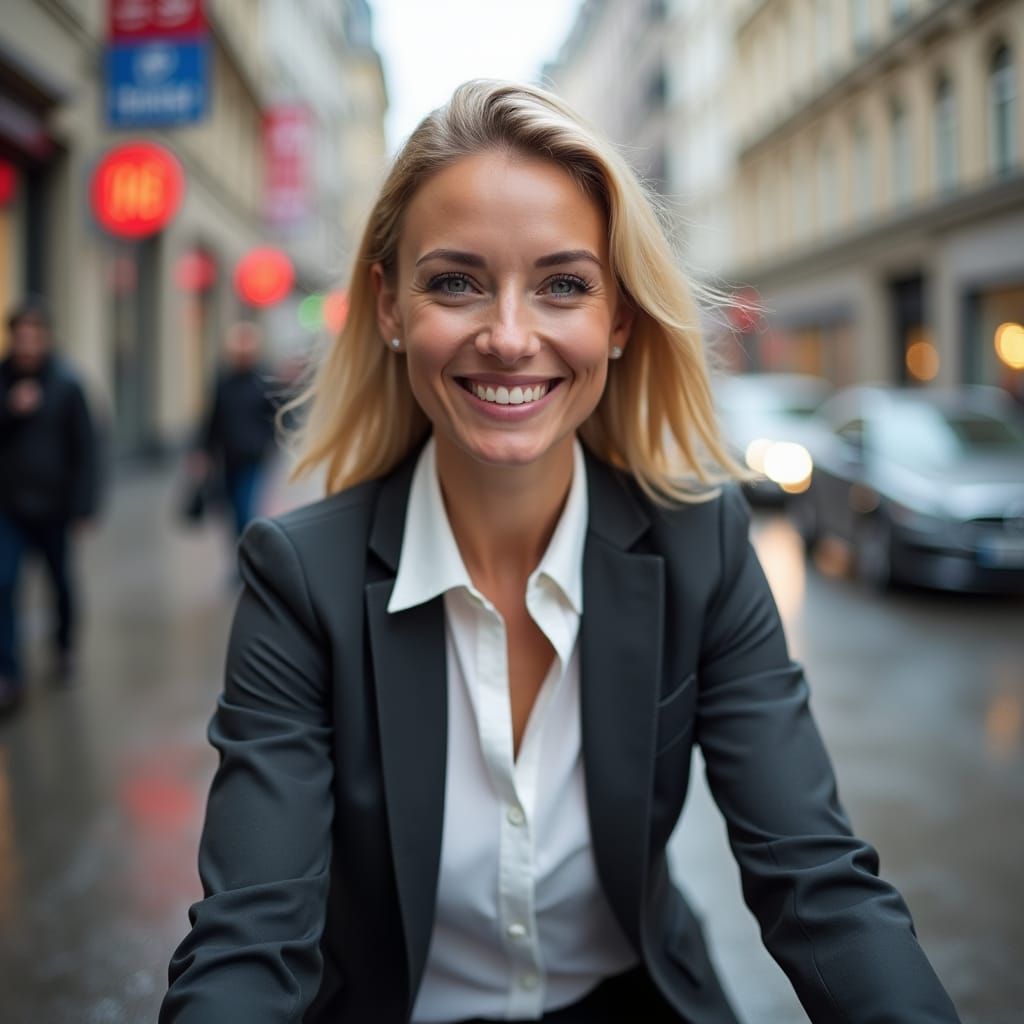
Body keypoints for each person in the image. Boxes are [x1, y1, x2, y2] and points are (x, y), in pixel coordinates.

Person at [161, 82, 961, 1023]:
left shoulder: (701, 545)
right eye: (455, 281)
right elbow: (248, 939)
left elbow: (818, 883)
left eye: (564, 284)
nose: (508, 335)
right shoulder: (300, 579)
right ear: (387, 306)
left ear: (618, 318)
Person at [0, 297, 99, 714]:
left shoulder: (67, 383)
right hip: (7, 507)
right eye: (21, 334)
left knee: (60, 582)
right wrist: (9, 411)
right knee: (3, 584)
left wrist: (84, 506)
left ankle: (63, 647)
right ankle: (9, 674)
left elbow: (87, 448)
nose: (28, 342)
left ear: (46, 337)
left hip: (55, 507)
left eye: (35, 334)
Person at [190, 320, 278, 542]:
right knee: (229, 506)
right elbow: (212, 419)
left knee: (243, 505)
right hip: (227, 455)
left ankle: (247, 548)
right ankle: (240, 550)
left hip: (253, 455)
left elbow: (274, 417)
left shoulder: (262, 382)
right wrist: (202, 451)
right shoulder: (224, 382)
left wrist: (267, 443)